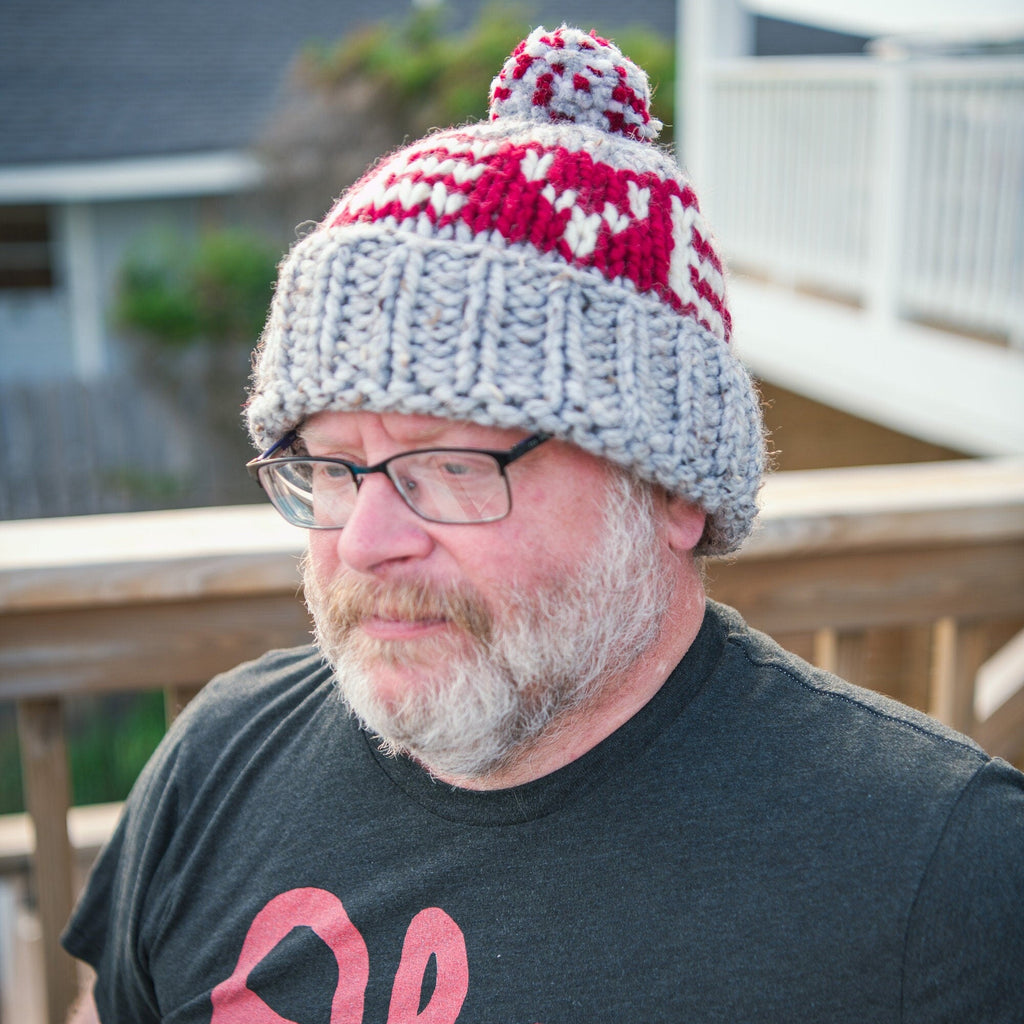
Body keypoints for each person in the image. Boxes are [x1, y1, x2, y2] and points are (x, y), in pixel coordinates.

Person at [63, 26, 1023, 1023]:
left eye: (447, 463)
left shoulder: (940, 875)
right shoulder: (219, 758)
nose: (362, 539)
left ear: (670, 490)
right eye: (331, 467)